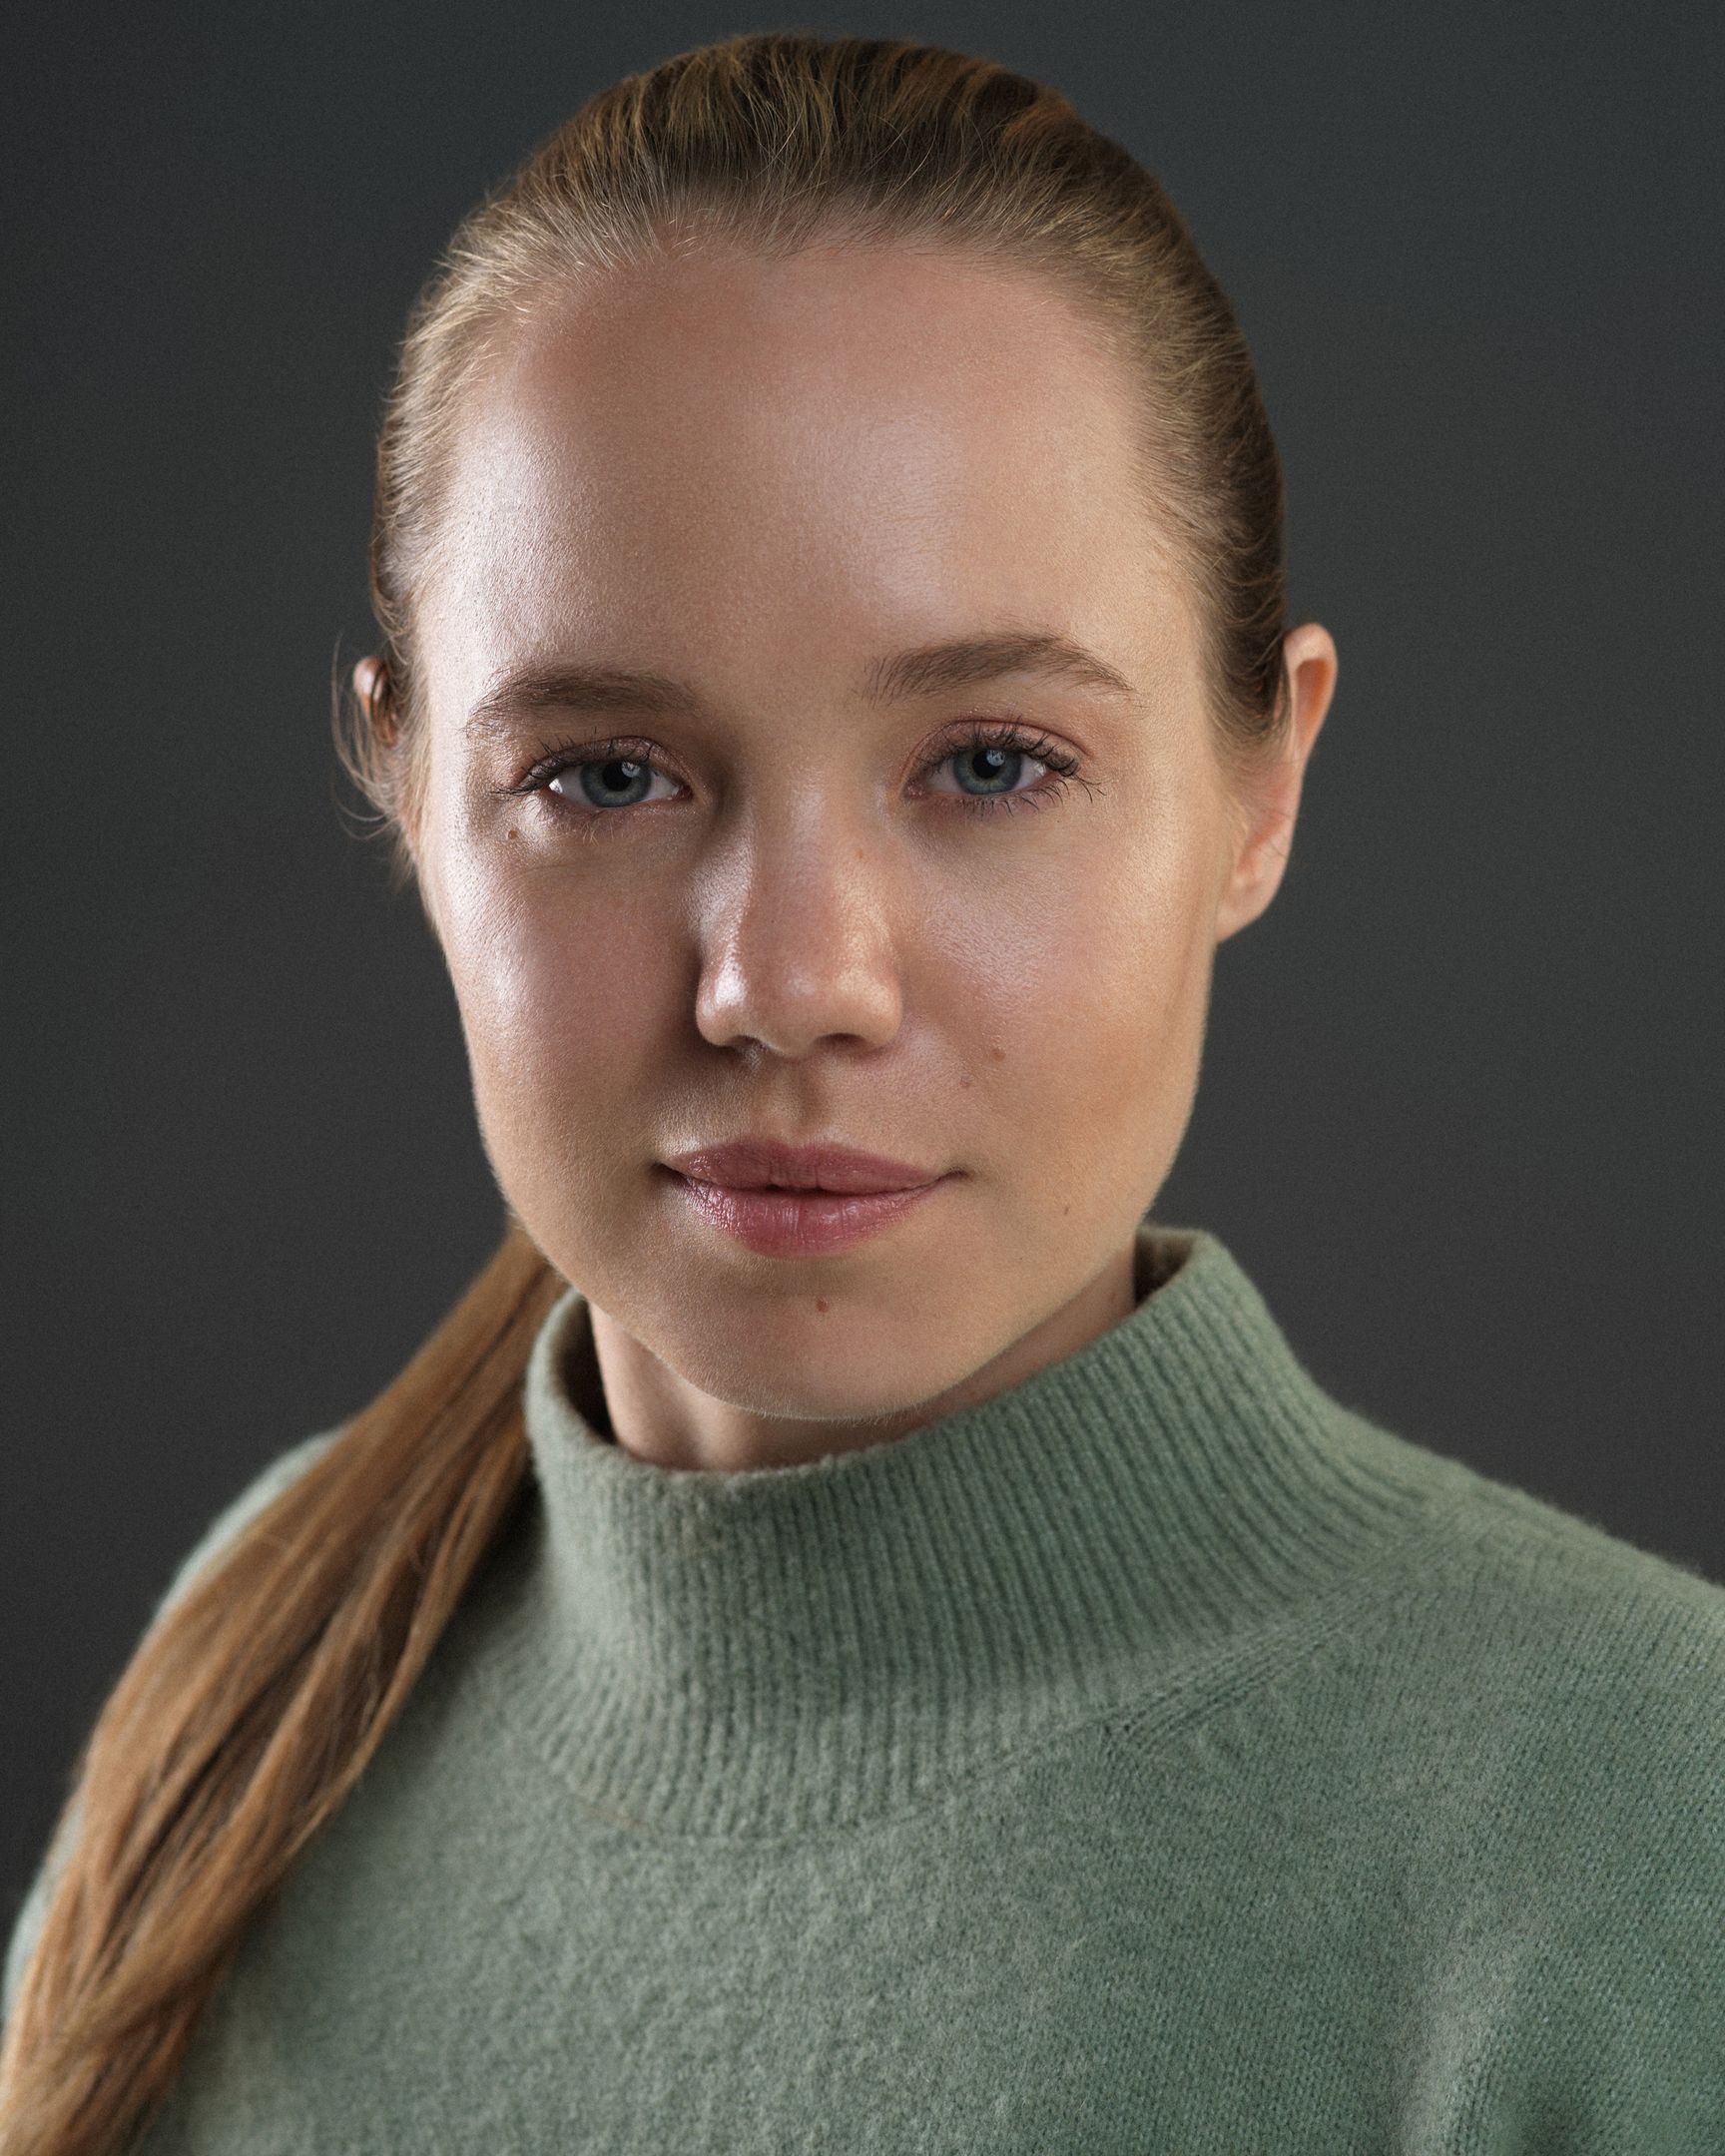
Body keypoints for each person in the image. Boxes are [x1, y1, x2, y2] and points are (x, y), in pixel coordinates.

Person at [3, 29, 1720, 2154]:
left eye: (992, 764)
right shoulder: (257, 1682)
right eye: (603, 777)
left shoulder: (1647, 1843)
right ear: (415, 794)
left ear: (1263, 785)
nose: (788, 985)